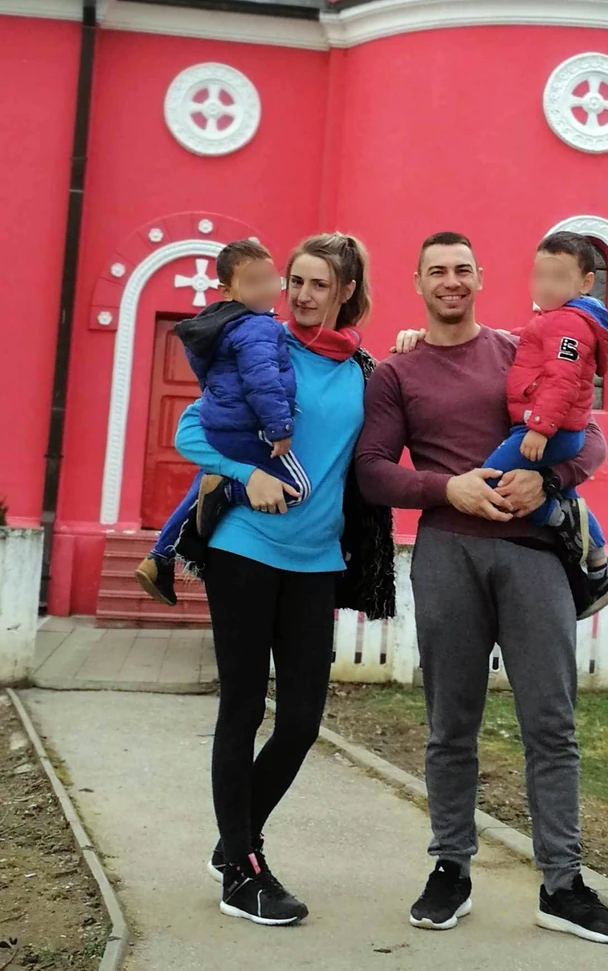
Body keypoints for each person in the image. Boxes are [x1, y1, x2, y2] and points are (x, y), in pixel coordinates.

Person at [355, 231, 608, 944]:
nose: (450, 281)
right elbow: (373, 470)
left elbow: (590, 437)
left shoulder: (519, 348)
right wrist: (446, 487)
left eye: (461, 270)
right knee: (451, 726)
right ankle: (450, 869)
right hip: (448, 554)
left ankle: (563, 884)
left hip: (534, 556)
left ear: (480, 278)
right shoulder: (397, 372)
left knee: (552, 724)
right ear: (418, 283)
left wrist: (550, 479)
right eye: (436, 271)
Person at [173, 233, 395, 928]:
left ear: (346, 292)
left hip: (317, 560)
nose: (300, 295)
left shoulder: (363, 370)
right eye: (294, 280)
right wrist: (249, 474)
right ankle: (243, 869)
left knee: (300, 721)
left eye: (318, 284)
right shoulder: (259, 345)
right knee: (242, 708)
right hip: (245, 546)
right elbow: (191, 430)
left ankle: (234, 839)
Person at [135, 238, 316, 608]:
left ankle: (161, 555)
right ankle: (229, 491)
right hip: (252, 428)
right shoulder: (259, 327)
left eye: (270, 279)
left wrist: (219, 402)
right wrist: (279, 428)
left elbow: (213, 376)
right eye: (253, 282)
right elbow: (263, 380)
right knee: (298, 489)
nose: (266, 288)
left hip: (222, 424)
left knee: (205, 482)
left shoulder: (214, 326)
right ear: (228, 290)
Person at [481, 230, 608, 618]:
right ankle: (599, 567)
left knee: (488, 481)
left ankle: (557, 518)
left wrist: (540, 428)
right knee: (570, 497)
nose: (545, 285)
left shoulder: (569, 325)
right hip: (553, 430)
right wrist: (494, 336)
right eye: (540, 274)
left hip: (551, 432)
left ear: (586, 283)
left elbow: (562, 379)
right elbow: (533, 344)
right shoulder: (557, 320)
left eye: (558, 277)